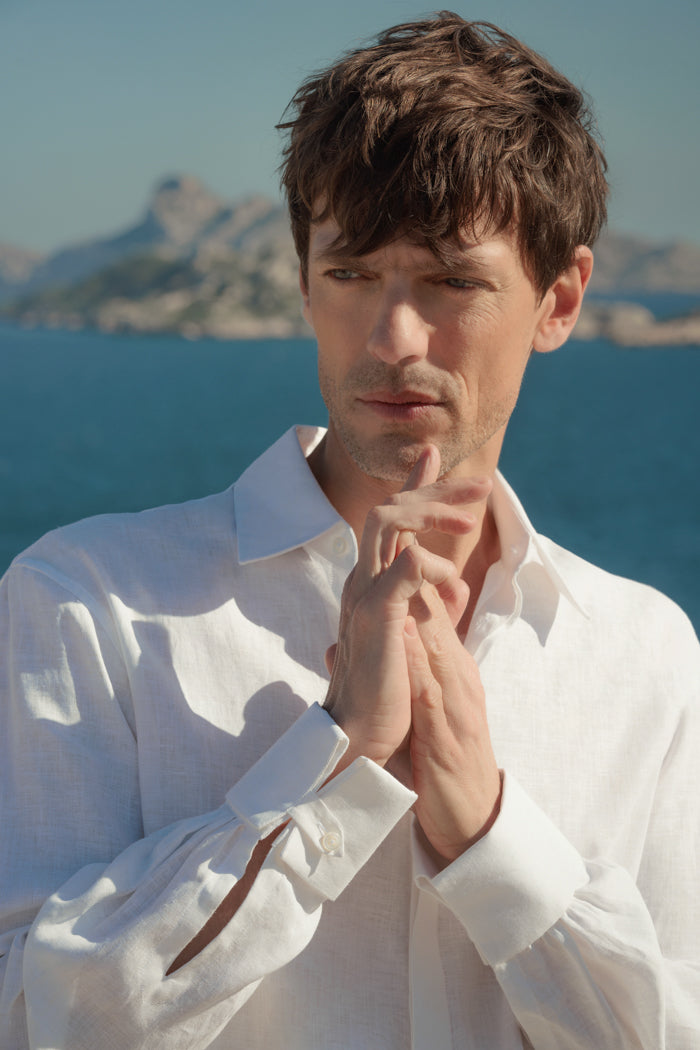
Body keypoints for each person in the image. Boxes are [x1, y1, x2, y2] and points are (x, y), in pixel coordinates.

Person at [1, 12, 698, 1049]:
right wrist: (332, 760)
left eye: (453, 280)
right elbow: (34, 1020)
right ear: (301, 278)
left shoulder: (643, 652)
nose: (391, 337)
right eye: (351, 274)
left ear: (559, 300)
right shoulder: (86, 604)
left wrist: (492, 834)